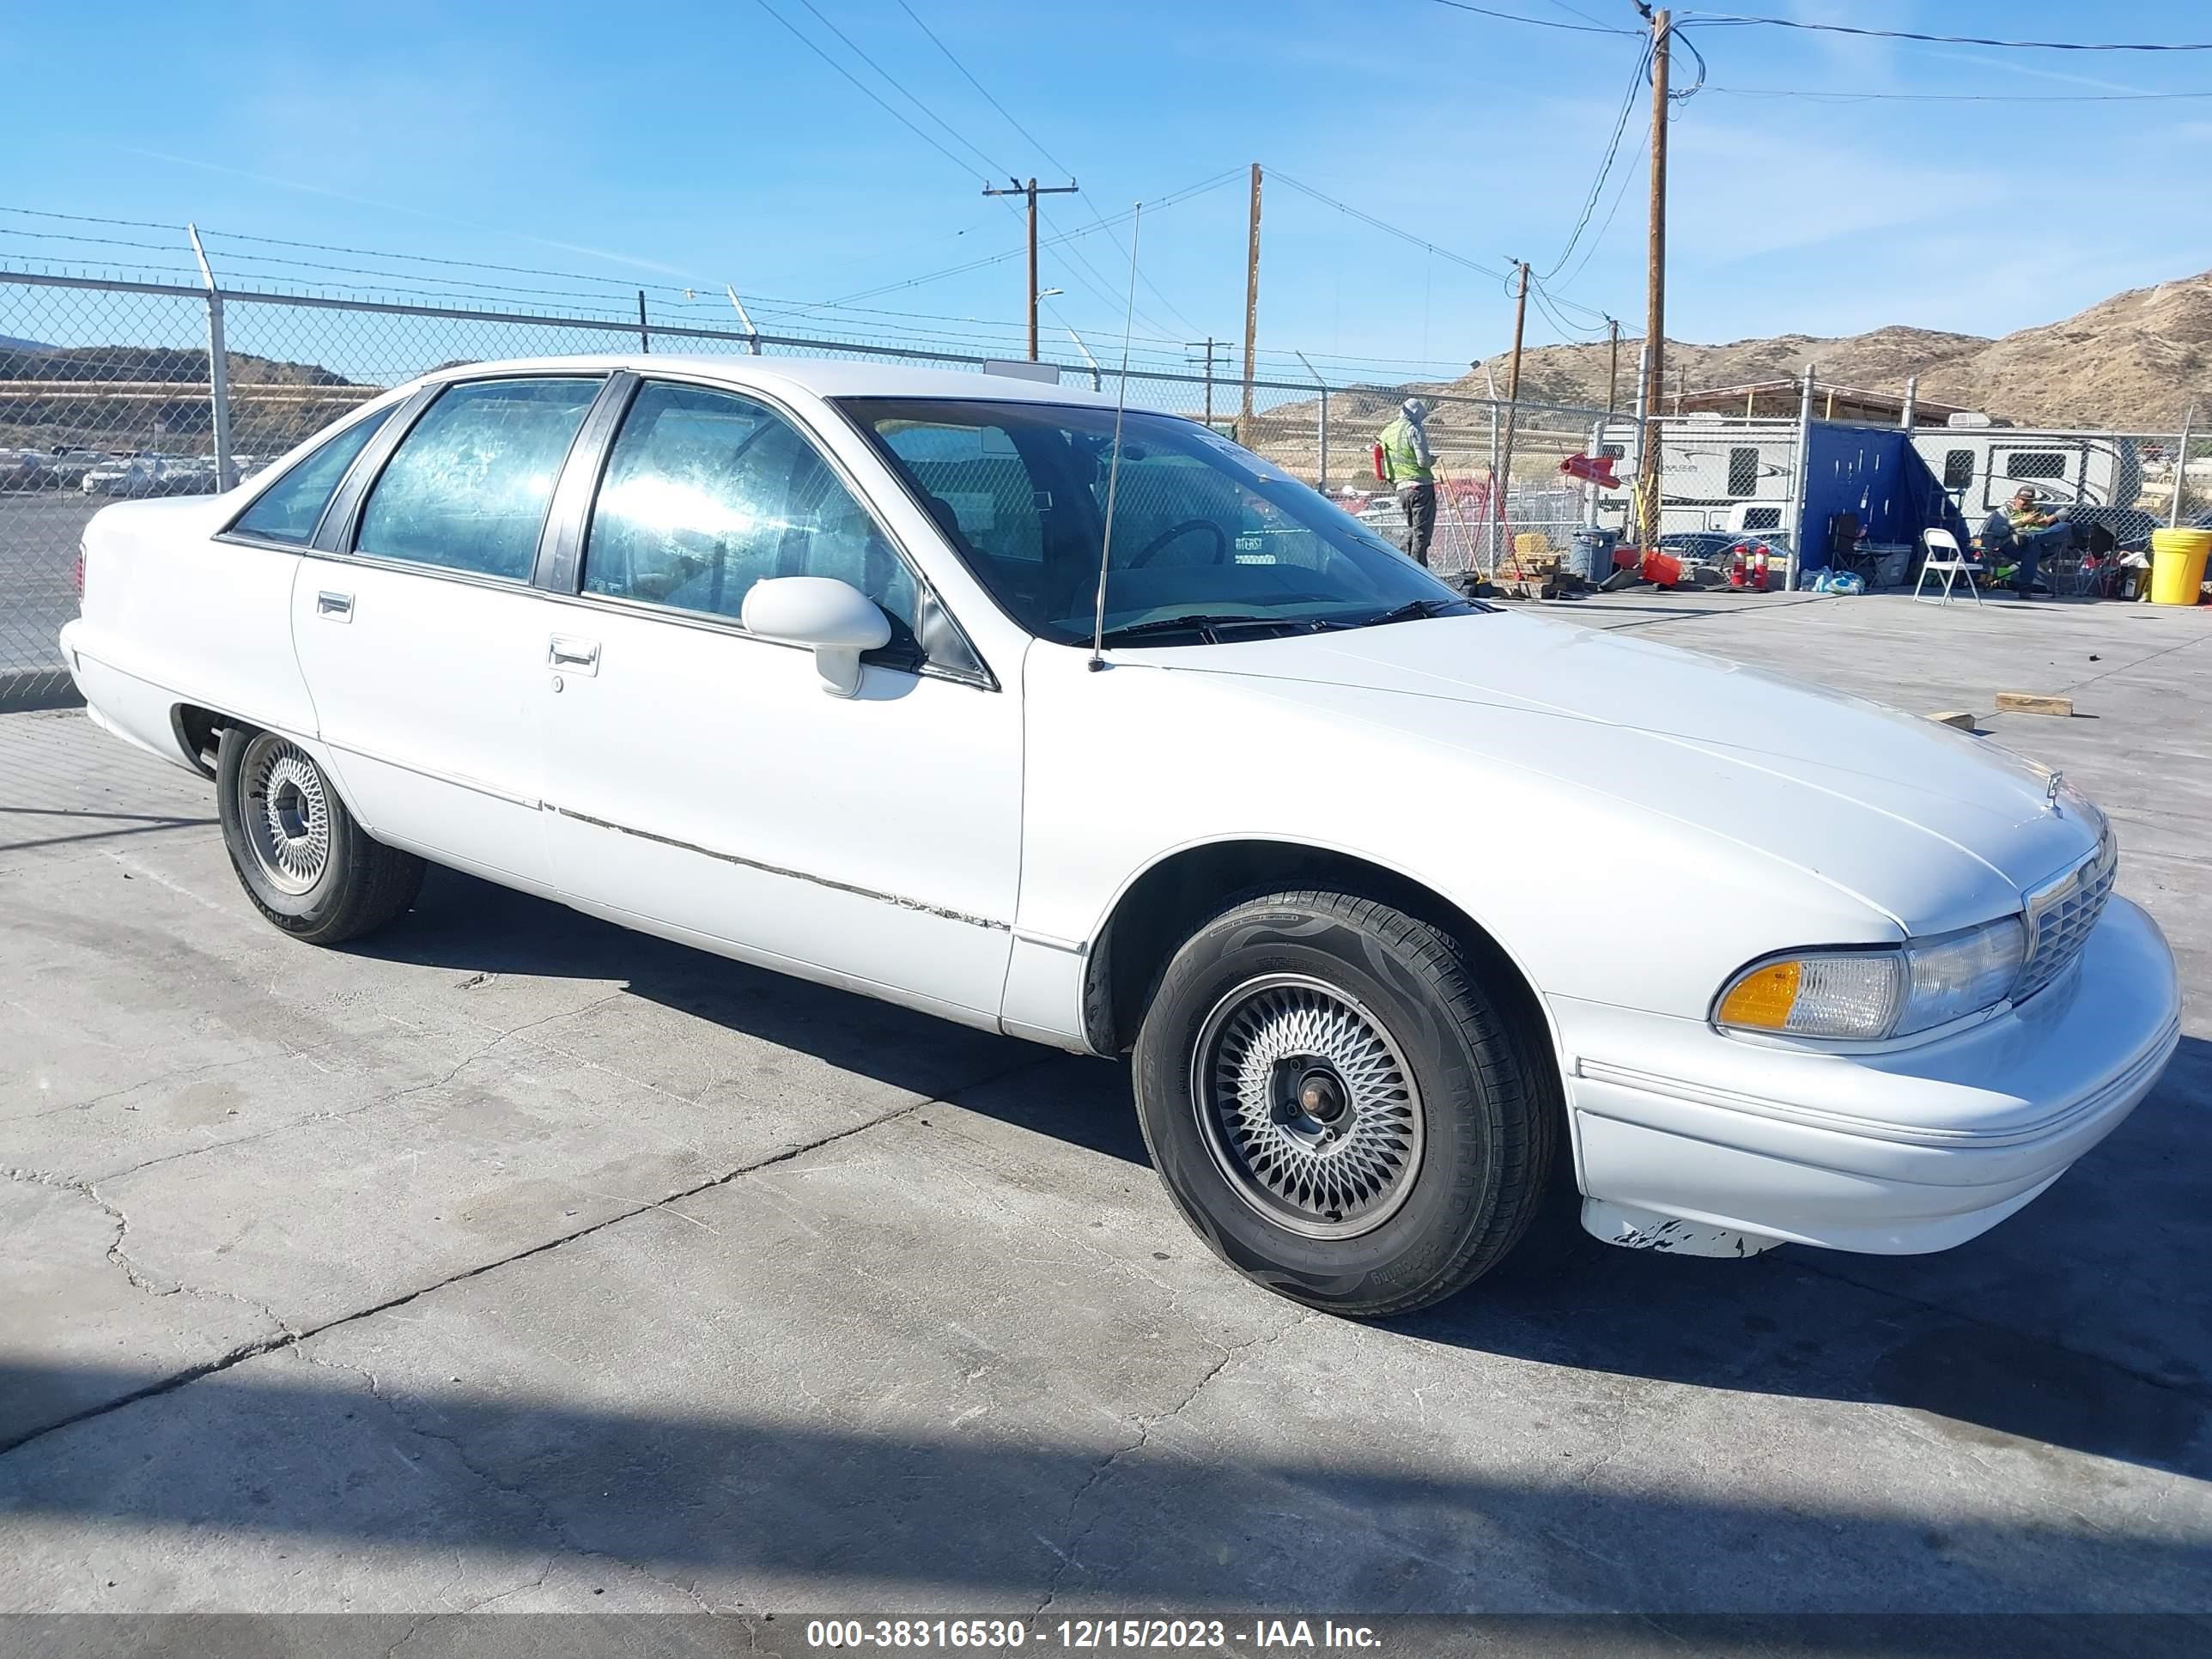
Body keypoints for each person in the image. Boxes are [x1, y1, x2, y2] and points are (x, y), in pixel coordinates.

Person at [1980, 486, 2075, 599]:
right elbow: (1998, 530)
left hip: (2043, 545)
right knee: (2032, 548)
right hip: (2014, 545)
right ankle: (2025, 588)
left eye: (2029, 500)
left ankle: (2033, 538)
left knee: (2065, 527)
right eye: (2023, 500)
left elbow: (2065, 511)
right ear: (2016, 498)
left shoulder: (2040, 509)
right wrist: (2022, 522)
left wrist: (2049, 519)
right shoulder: (2005, 511)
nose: (2026, 503)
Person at [1376, 397, 1438, 567]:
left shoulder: (1386, 432)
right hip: (1420, 484)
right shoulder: (1414, 429)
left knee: (1412, 527)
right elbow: (1423, 461)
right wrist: (1432, 460)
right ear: (1417, 413)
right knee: (1422, 532)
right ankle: (1419, 570)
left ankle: (1405, 565)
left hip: (1400, 487)